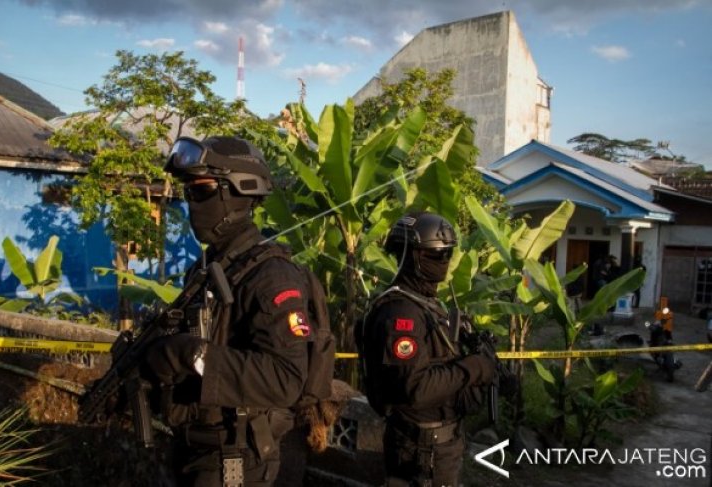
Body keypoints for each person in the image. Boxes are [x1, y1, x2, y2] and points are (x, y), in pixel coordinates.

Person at [142, 135, 323, 486]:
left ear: (238, 191)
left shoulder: (271, 275)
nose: (193, 202)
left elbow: (285, 378)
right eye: (189, 193)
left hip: (235, 460)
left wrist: (192, 355)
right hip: (194, 447)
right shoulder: (209, 267)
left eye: (202, 190)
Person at [355, 212, 497, 487]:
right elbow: (416, 389)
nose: (443, 261)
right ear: (411, 255)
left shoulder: (426, 303)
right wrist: (472, 368)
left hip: (439, 444)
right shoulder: (401, 314)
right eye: (435, 255)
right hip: (421, 449)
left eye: (447, 254)